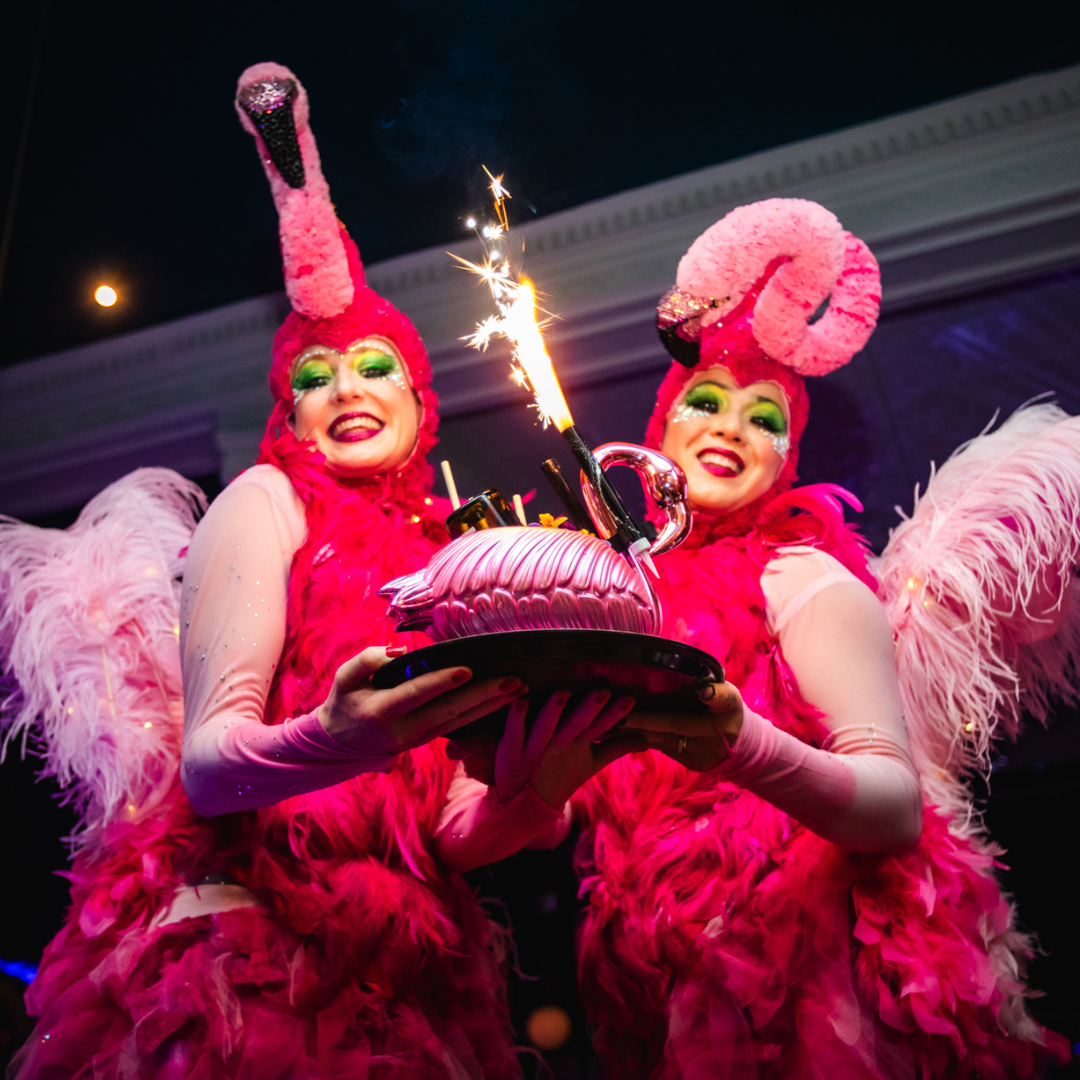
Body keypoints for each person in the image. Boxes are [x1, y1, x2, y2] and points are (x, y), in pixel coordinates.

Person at [3, 63, 633, 1079]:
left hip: (407, 983)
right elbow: (212, 771)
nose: (346, 387)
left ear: (420, 403)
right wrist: (332, 740)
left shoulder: (447, 566)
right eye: (314, 376)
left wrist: (527, 799)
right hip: (248, 970)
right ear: (286, 413)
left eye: (375, 367)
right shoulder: (267, 503)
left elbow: (440, 836)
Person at [439, 199, 1073, 1078]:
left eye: (766, 417)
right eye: (707, 401)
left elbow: (893, 807)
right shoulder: (613, 605)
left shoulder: (806, 580)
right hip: (656, 999)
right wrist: (537, 787)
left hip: (823, 997)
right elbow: (463, 839)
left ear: (787, 458)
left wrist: (740, 745)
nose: (733, 426)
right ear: (662, 434)